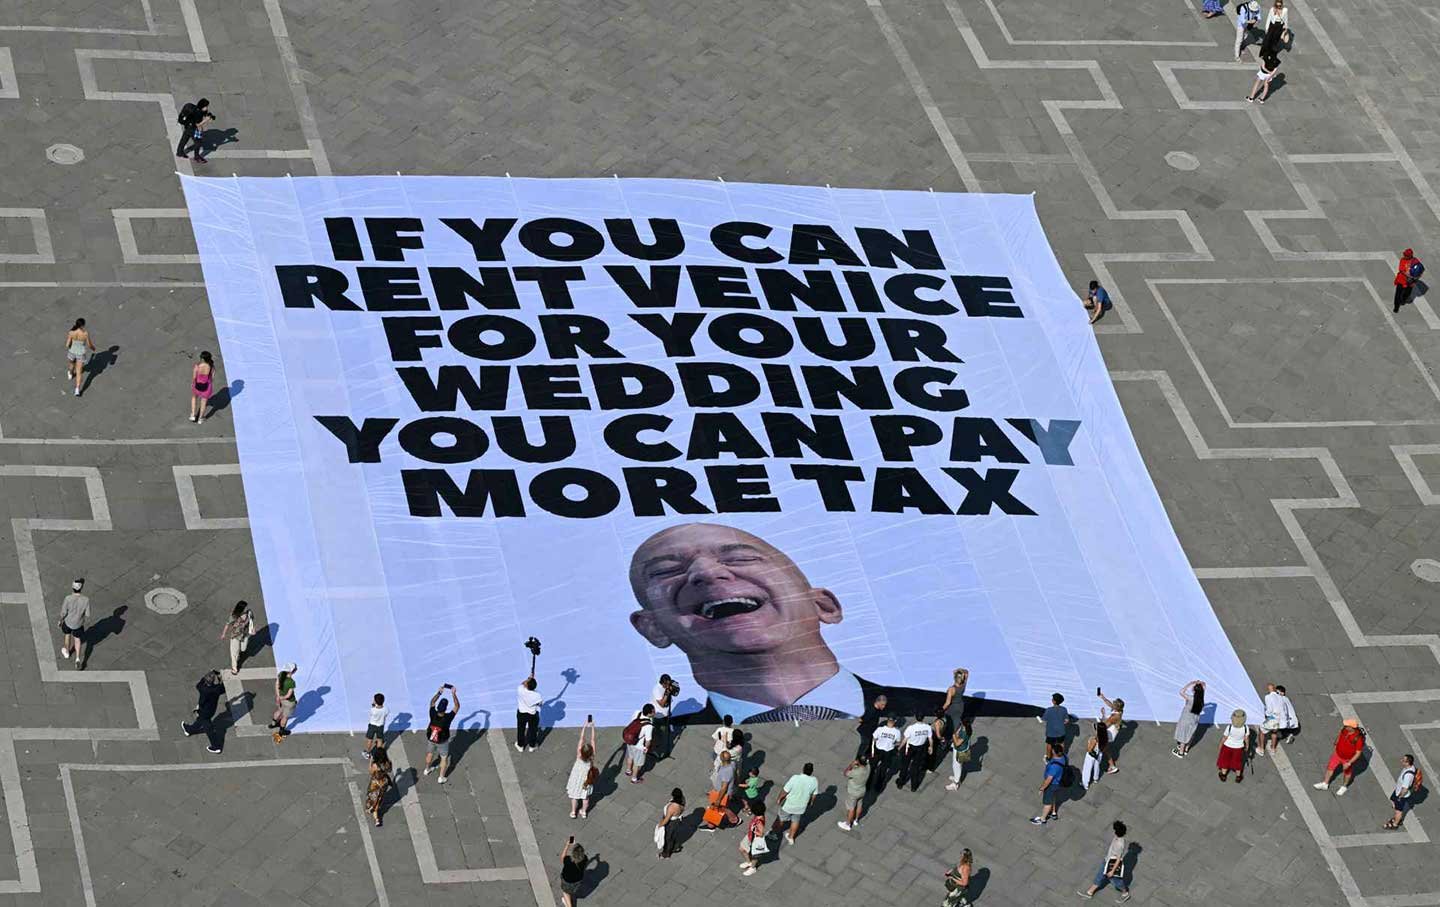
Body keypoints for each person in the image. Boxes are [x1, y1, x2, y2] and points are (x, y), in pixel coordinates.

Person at [628, 523, 1036, 724]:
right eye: (667, 570)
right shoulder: (661, 742)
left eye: (740, 558)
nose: (706, 573)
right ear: (652, 628)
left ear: (824, 605)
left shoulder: (1000, 719)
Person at [1077, 820, 1131, 901]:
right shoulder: (1117, 837)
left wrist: (1112, 871)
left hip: (1111, 866)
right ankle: (1090, 892)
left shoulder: (1120, 844)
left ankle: (1125, 893)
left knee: (1116, 881)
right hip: (1107, 861)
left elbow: (1118, 859)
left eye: (1115, 830)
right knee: (1100, 876)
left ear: (1117, 832)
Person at [1313, 718, 1366, 796]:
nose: (1345, 725)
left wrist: (1349, 763)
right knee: (1330, 768)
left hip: (1347, 759)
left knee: (1347, 773)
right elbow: (1340, 735)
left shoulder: (1358, 739)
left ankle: (1344, 786)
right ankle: (1325, 784)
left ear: (1352, 727)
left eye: (1347, 725)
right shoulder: (1345, 729)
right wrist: (1336, 742)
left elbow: (1358, 753)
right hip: (1337, 754)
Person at [180, 668, 227, 754]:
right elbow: (223, 688)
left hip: (204, 711)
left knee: (208, 728)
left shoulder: (202, 688)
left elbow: (198, 686)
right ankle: (189, 730)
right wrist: (219, 677)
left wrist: (206, 675)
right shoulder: (216, 689)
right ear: (213, 681)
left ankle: (216, 746)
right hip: (212, 710)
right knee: (200, 721)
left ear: (205, 681)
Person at [423, 684, 459, 783]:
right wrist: (453, 694)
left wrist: (439, 692)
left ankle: (427, 769)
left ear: (438, 707)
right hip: (442, 741)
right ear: (446, 709)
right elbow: (457, 706)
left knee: (430, 753)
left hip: (431, 738)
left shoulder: (432, 713)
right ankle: (441, 777)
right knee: (444, 758)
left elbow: (432, 702)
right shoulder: (448, 718)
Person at [777, 763, 819, 844]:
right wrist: (811, 802)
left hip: (789, 805)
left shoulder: (795, 778)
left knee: (781, 819)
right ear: (812, 771)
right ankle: (791, 838)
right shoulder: (814, 781)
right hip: (801, 807)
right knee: (795, 821)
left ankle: (775, 834)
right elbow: (814, 795)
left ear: (803, 769)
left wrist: (779, 798)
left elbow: (785, 790)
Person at [700, 750, 739, 832]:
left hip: (721, 794)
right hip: (722, 792)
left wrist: (718, 800)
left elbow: (724, 787)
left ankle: (733, 820)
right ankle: (713, 824)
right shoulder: (732, 764)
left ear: (722, 759)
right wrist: (736, 784)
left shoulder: (726, 771)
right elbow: (736, 775)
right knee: (722, 808)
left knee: (718, 807)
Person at [566, 716, 597, 818]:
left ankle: (573, 812)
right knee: (585, 798)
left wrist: (584, 726)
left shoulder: (579, 754)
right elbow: (593, 739)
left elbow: (581, 739)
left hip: (576, 778)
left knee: (574, 796)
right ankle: (583, 812)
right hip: (586, 780)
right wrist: (592, 727)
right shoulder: (592, 757)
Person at [1031, 743, 1067, 825]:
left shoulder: (1054, 767)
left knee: (1047, 802)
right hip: (1058, 782)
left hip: (1052, 785)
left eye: (1053, 750)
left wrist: (1042, 788)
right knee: (1053, 796)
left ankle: (1042, 819)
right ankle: (1053, 813)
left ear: (1054, 752)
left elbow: (1048, 780)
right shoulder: (1064, 757)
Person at [897, 715, 934, 792]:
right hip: (920, 748)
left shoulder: (911, 728)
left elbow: (905, 740)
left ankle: (900, 783)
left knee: (905, 765)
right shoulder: (927, 727)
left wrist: (899, 748)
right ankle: (913, 786)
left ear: (915, 717)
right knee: (916, 767)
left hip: (910, 747)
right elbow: (930, 739)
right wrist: (931, 747)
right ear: (923, 718)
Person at [217, 600, 254, 675]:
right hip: (235, 636)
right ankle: (234, 668)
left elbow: (251, 622)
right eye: (245, 607)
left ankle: (239, 653)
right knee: (234, 653)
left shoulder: (249, 613)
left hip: (245, 634)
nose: (247, 608)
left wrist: (253, 629)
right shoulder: (234, 615)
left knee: (243, 649)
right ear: (241, 609)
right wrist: (223, 634)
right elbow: (227, 624)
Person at [58, 578, 90, 664]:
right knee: (77, 640)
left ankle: (67, 652)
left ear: (72, 587)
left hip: (68, 622)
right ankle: (78, 658)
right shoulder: (86, 600)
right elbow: (87, 614)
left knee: (67, 635)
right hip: (78, 624)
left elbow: (63, 612)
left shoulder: (68, 598)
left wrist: (60, 620)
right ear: (81, 588)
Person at [1385, 754, 1419, 829]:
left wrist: (1400, 797)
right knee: (1392, 800)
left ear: (1407, 763)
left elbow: (1405, 789)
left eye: (1403, 760)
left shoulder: (1408, 776)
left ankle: (1395, 824)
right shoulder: (1410, 767)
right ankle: (1397, 816)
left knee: (1398, 811)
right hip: (1398, 790)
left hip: (1401, 794)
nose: (1401, 761)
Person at [623, 703, 655, 783]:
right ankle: (634, 778)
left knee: (630, 756)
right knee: (637, 764)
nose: (655, 713)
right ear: (649, 713)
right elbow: (648, 740)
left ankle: (628, 771)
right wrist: (646, 748)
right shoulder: (648, 726)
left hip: (630, 740)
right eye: (653, 711)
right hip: (639, 746)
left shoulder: (637, 713)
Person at [175, 97, 214, 163]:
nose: (207, 108)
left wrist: (209, 116)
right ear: (202, 106)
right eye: (206, 106)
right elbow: (198, 125)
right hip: (192, 128)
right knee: (198, 142)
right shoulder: (198, 113)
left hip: (187, 126)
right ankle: (197, 157)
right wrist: (205, 120)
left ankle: (179, 152)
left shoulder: (198, 109)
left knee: (184, 139)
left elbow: (204, 114)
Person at [267, 662, 298, 742]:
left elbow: (276, 685)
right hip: (289, 702)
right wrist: (282, 698)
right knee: (285, 717)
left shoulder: (280, 675)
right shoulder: (291, 682)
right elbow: (288, 695)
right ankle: (281, 731)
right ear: (292, 671)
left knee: (279, 711)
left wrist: (278, 697)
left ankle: (273, 724)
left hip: (280, 699)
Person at [1172, 680, 1205, 758]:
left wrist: (1190, 683)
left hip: (1186, 718)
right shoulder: (1201, 700)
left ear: (1194, 690)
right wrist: (1200, 684)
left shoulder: (1191, 698)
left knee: (1183, 735)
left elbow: (1181, 692)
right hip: (1194, 720)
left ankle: (1181, 752)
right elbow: (1203, 689)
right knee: (1190, 734)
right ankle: (1186, 749)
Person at [1217, 709, 1251, 782]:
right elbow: (1246, 738)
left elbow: (1224, 738)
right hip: (1239, 747)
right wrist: (1247, 746)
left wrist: (1220, 745)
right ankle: (1238, 776)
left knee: (1225, 760)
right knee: (1237, 761)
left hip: (1227, 746)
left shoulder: (1229, 727)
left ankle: (1223, 775)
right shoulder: (1245, 728)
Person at [838, 754, 870, 830]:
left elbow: (845, 773)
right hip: (862, 790)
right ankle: (856, 820)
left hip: (853, 792)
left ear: (858, 761)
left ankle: (848, 824)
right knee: (859, 805)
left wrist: (851, 765)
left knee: (851, 808)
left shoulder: (856, 772)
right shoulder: (868, 767)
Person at [365, 746, 395, 827]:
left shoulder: (375, 765)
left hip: (376, 784)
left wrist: (370, 760)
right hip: (384, 783)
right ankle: (375, 806)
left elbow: (371, 772)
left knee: (373, 797)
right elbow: (389, 770)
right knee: (380, 797)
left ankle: (376, 818)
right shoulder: (387, 763)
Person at [871, 715, 903, 791]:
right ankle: (878, 787)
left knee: (872, 767)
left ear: (887, 720)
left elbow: (874, 738)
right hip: (888, 752)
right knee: (883, 769)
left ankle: (868, 784)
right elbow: (898, 742)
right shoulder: (897, 732)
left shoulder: (880, 729)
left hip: (878, 750)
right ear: (895, 721)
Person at [64, 319, 95, 397]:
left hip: (72, 352)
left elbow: (67, 345)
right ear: (82, 325)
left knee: (71, 364)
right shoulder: (85, 334)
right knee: (78, 372)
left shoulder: (71, 332)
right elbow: (89, 345)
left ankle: (70, 373)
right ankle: (77, 389)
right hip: (80, 353)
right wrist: (93, 348)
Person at [651, 673, 679, 759]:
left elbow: (675, 691)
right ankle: (653, 750)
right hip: (659, 716)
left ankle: (658, 745)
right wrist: (667, 693)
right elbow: (662, 704)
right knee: (658, 733)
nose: (668, 686)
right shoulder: (657, 690)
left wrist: (672, 688)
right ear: (662, 683)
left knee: (663, 732)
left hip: (665, 714)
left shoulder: (666, 685)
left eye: (669, 683)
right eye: (666, 684)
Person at [738, 799, 769, 876]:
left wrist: (754, 830)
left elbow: (761, 834)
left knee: (755, 855)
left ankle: (752, 868)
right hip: (749, 836)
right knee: (742, 849)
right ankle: (749, 862)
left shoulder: (759, 822)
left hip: (755, 839)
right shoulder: (759, 815)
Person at [856, 693, 890, 759]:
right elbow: (861, 719)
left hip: (869, 732)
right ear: (878, 702)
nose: (884, 707)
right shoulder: (871, 710)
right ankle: (857, 759)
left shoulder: (877, 710)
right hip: (865, 731)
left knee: (866, 746)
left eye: (884, 705)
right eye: (882, 705)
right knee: (863, 745)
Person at [1098, 693, 1125, 774]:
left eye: (1114, 704)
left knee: (1104, 748)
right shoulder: (1120, 711)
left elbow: (1104, 725)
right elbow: (1110, 705)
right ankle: (1111, 765)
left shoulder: (1113, 717)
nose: (1112, 704)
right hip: (1112, 731)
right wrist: (1103, 698)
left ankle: (1112, 766)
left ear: (1116, 707)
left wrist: (1103, 714)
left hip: (1109, 733)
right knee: (1105, 748)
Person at [558, 838, 588, 907]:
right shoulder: (585, 859)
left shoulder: (568, 860)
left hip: (567, 880)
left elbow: (562, 857)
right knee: (570, 891)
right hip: (577, 881)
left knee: (565, 892)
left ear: (573, 853)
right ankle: (567, 902)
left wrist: (567, 845)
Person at [656, 788, 685, 858]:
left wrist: (660, 825)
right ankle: (673, 845)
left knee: (667, 838)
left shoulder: (672, 807)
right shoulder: (682, 800)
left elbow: (666, 819)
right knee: (671, 836)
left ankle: (666, 853)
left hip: (670, 823)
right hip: (676, 821)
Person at [940, 668, 970, 736]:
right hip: (960, 705)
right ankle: (955, 734)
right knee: (956, 720)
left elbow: (947, 703)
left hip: (952, 707)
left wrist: (941, 710)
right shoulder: (963, 684)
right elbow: (967, 672)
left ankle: (949, 735)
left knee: (949, 721)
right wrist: (960, 670)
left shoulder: (951, 689)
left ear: (954, 677)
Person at [516, 675, 541, 753]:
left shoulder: (520, 689)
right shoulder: (537, 695)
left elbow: (522, 683)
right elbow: (540, 704)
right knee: (533, 730)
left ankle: (520, 746)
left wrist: (528, 678)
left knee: (521, 729)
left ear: (526, 685)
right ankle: (532, 746)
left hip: (521, 713)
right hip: (532, 715)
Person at [945, 721, 973, 790]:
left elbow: (957, 743)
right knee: (956, 765)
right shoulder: (965, 728)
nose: (960, 722)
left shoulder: (964, 732)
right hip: (959, 749)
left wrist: (953, 735)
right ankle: (956, 777)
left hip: (960, 751)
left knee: (957, 766)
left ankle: (956, 783)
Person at [190, 351, 215, 423]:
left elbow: (194, 377)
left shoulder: (197, 366)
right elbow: (212, 378)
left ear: (203, 359)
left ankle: (193, 415)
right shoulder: (212, 367)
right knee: (204, 402)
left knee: (194, 397)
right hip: (207, 387)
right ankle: (200, 418)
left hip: (197, 385)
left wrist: (193, 383)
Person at [1395, 249, 1422, 313]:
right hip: (1401, 280)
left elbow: (1420, 270)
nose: (1404, 256)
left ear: (1410, 256)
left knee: (1407, 293)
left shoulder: (1415, 261)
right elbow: (1402, 270)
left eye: (1406, 255)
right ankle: (1396, 307)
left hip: (1410, 282)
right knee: (1398, 294)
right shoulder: (1403, 260)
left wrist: (1415, 278)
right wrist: (1410, 276)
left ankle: (1403, 300)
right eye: (1404, 254)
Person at [1042, 693, 1069, 758]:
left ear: (1054, 701)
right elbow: (1066, 720)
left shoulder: (1049, 710)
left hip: (1051, 732)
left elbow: (1044, 719)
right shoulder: (1064, 709)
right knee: (1061, 743)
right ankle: (1060, 756)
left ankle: (1048, 758)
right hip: (1061, 731)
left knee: (1049, 744)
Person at [364, 692, 388, 759]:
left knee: (370, 739)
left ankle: (368, 753)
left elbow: (371, 714)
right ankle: (378, 753)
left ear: (375, 701)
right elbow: (386, 715)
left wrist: (373, 706)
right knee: (380, 739)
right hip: (380, 726)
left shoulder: (373, 710)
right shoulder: (386, 709)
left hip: (372, 725)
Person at [1080, 722, 1103, 790]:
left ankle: (1085, 784)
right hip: (1099, 753)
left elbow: (1089, 750)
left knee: (1087, 769)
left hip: (1091, 756)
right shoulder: (1104, 738)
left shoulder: (1094, 739)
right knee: (1097, 766)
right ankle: (1096, 778)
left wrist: (1088, 743)